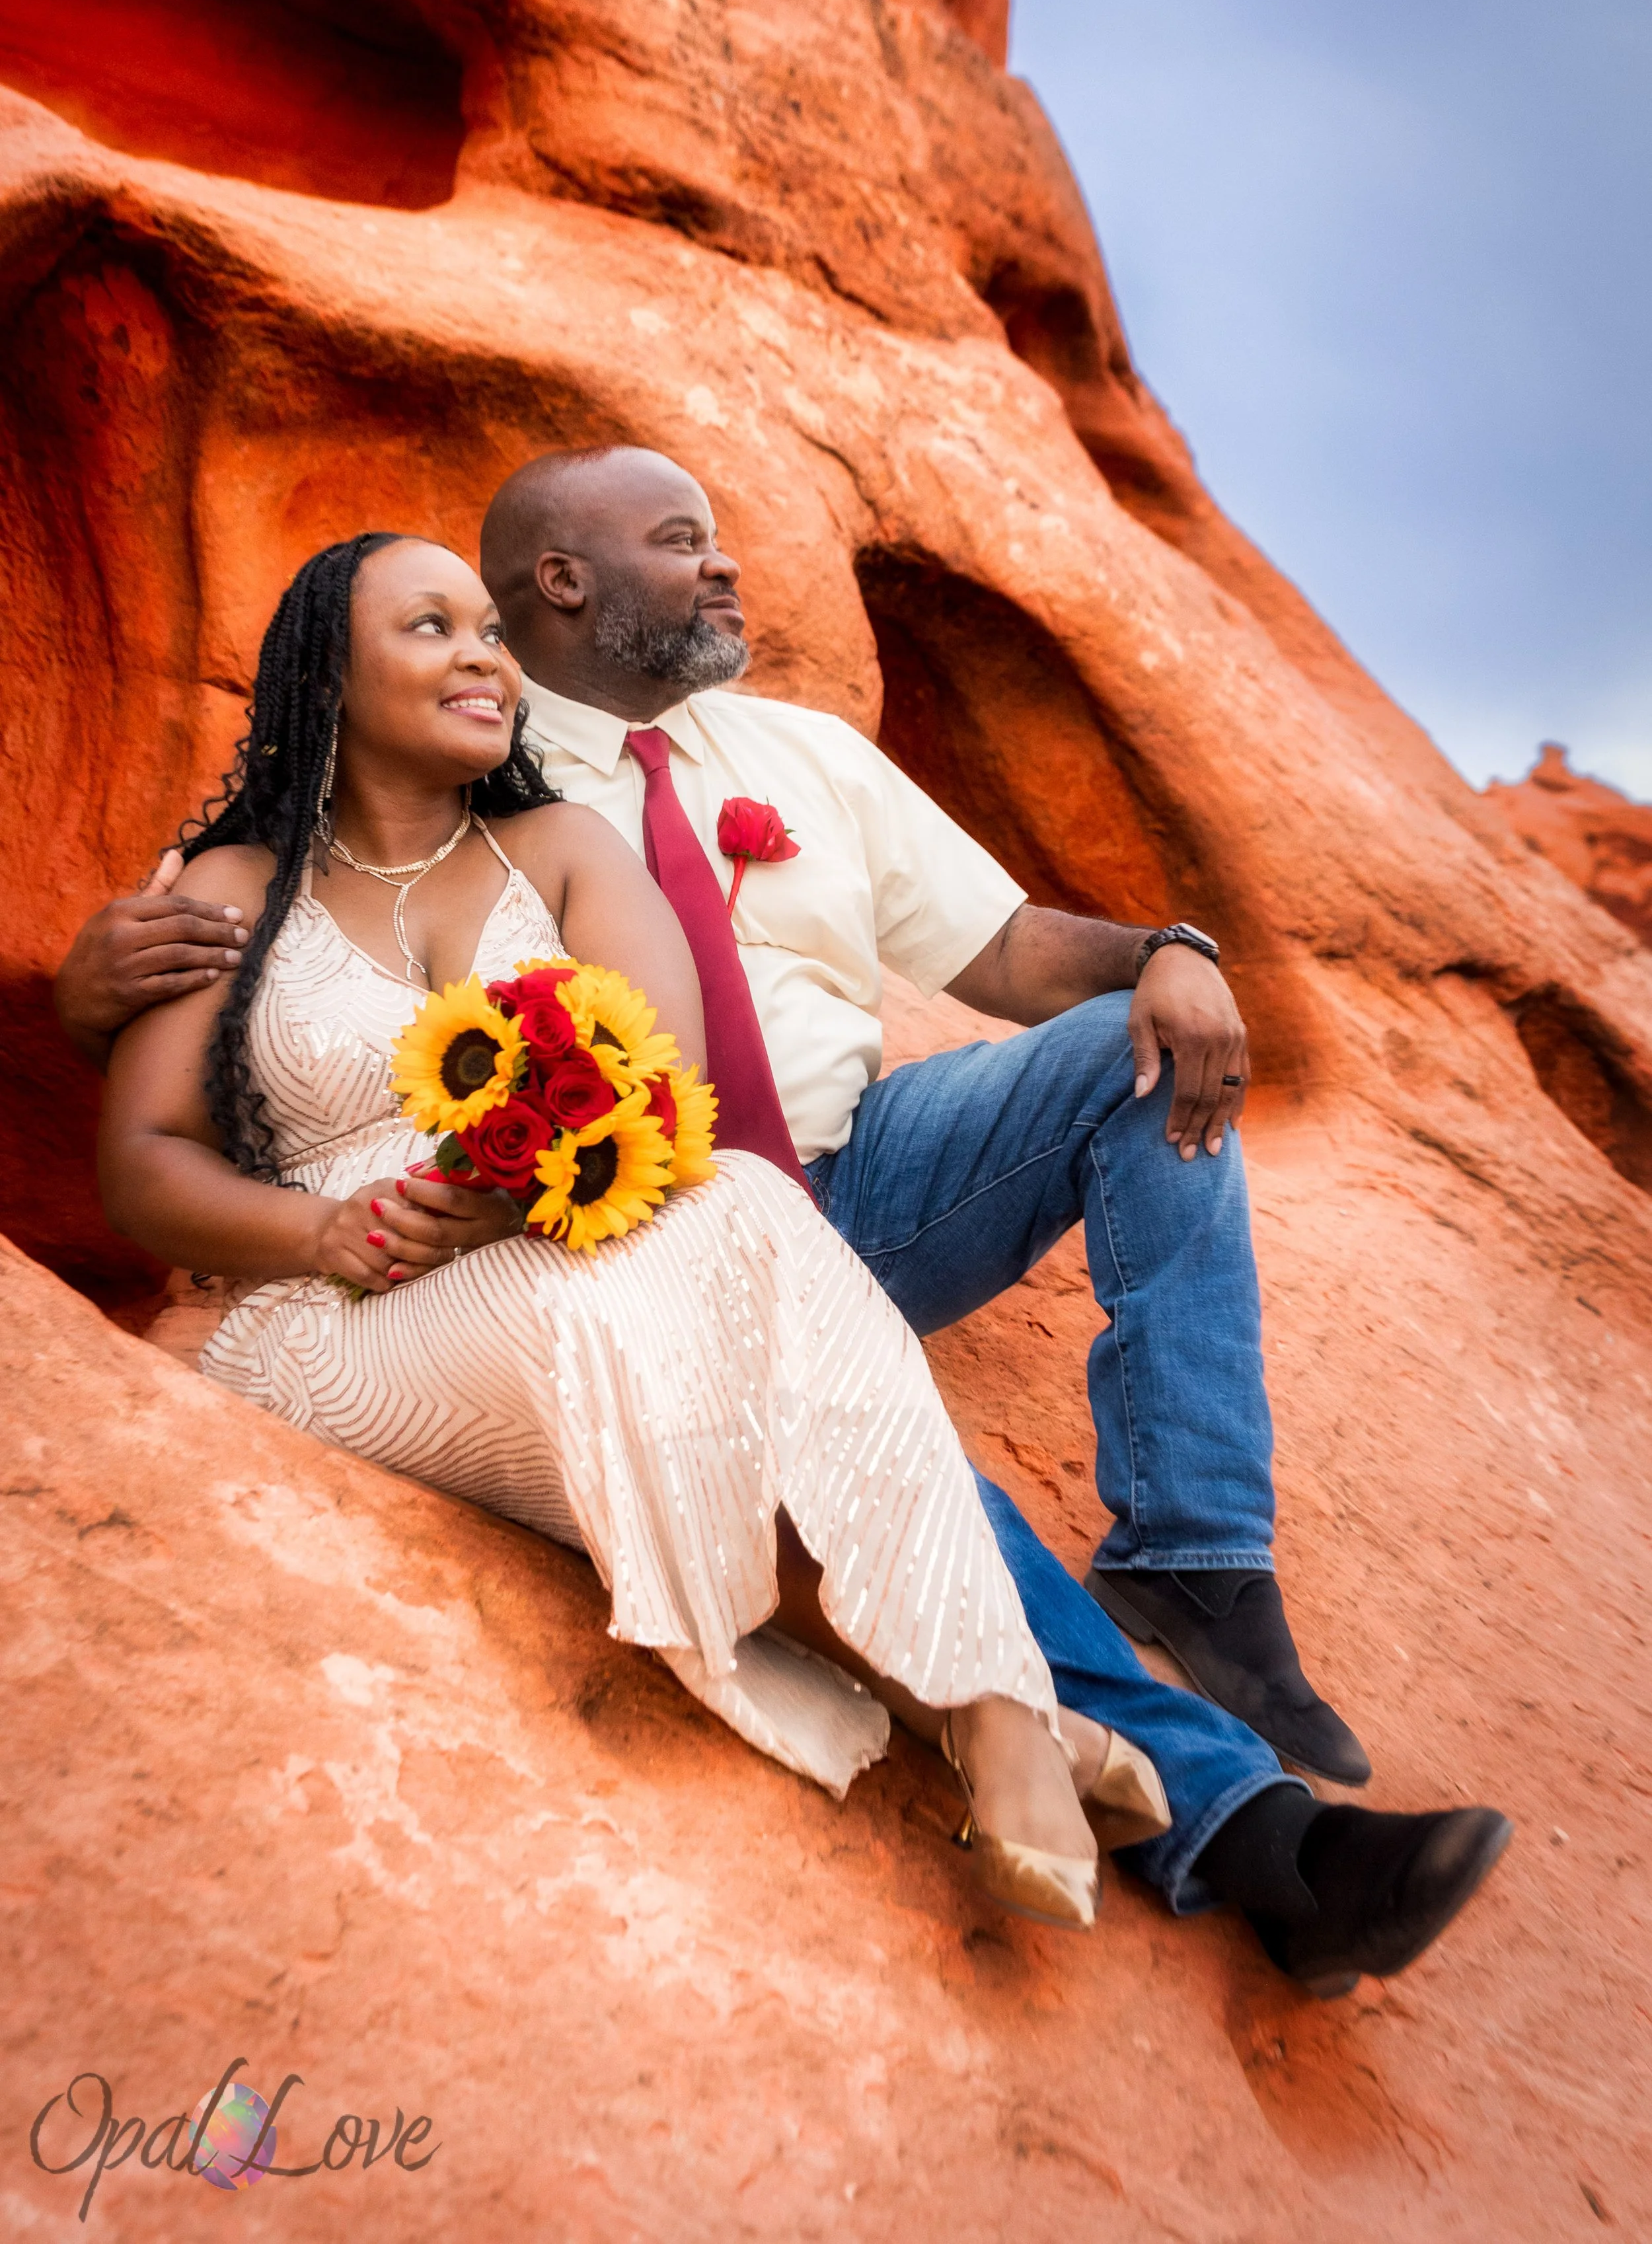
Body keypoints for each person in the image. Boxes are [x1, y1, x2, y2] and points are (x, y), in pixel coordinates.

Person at [64, 489, 1512, 1995]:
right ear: (564, 577)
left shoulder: (776, 760)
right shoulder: (405, 805)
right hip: (577, 1249)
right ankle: (1217, 1817)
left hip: (807, 1184)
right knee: (808, 1379)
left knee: (1100, 1063)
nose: (724, 556)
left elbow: (993, 955)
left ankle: (1194, 1553)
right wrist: (95, 1002)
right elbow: (163, 1095)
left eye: (478, 633)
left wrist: (1173, 952)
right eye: (677, 533)